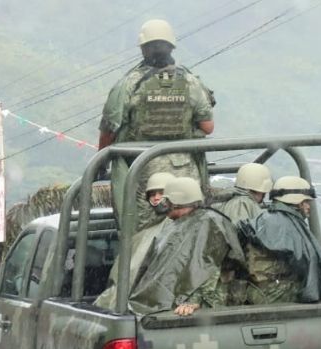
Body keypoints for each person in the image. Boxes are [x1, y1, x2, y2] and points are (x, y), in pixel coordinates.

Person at [98, 19, 215, 229]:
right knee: (190, 230)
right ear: (172, 47)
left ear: (143, 49)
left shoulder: (128, 84)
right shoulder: (191, 82)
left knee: (144, 236)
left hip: (142, 171)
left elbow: (109, 131)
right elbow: (207, 127)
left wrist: (100, 163)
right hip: (186, 171)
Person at [129, 176, 245, 316]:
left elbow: (206, 269)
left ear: (177, 202)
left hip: (209, 306)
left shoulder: (208, 224)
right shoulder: (181, 223)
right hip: (174, 303)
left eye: (167, 200)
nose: (162, 204)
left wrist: (194, 301)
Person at [238, 176, 321, 304]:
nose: (308, 207)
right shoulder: (285, 224)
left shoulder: (265, 219)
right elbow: (306, 263)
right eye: (306, 202)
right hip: (273, 295)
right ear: (297, 202)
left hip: (258, 291)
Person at [94, 172, 174, 309]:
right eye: (152, 194)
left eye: (161, 193)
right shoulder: (146, 232)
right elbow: (128, 275)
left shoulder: (182, 225)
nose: (156, 198)